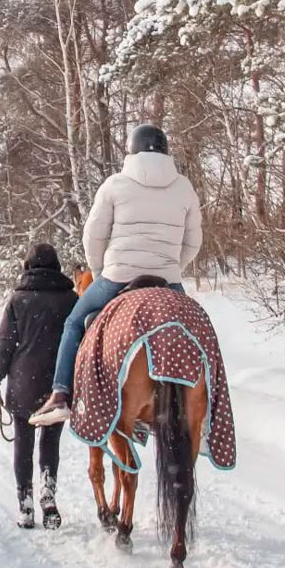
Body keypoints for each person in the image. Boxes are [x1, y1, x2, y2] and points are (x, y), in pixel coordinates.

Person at [30, 124, 203, 427]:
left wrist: (100, 273)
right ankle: (205, 414)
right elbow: (193, 242)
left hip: (118, 275)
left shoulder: (115, 184)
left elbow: (93, 237)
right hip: (168, 278)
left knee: (73, 322)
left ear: (131, 150)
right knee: (196, 333)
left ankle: (60, 395)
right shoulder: (184, 187)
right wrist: (172, 269)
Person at [0, 244, 77, 529]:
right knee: (50, 441)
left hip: (23, 384)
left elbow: (5, 345)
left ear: (27, 266)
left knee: (23, 443)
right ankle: (48, 493)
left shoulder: (18, 300)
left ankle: (25, 506)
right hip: (57, 385)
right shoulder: (71, 300)